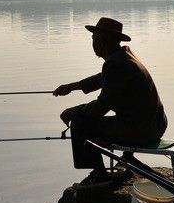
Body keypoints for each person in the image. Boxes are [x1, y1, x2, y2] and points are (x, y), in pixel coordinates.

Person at [54, 17, 167, 188]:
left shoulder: (116, 64)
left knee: (80, 123)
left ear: (102, 42)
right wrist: (71, 87)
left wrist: (73, 111)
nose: (92, 43)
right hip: (154, 124)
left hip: (142, 129)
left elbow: (101, 107)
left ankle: (100, 174)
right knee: (87, 119)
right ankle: (125, 161)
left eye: (94, 39)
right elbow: (102, 79)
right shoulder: (123, 57)